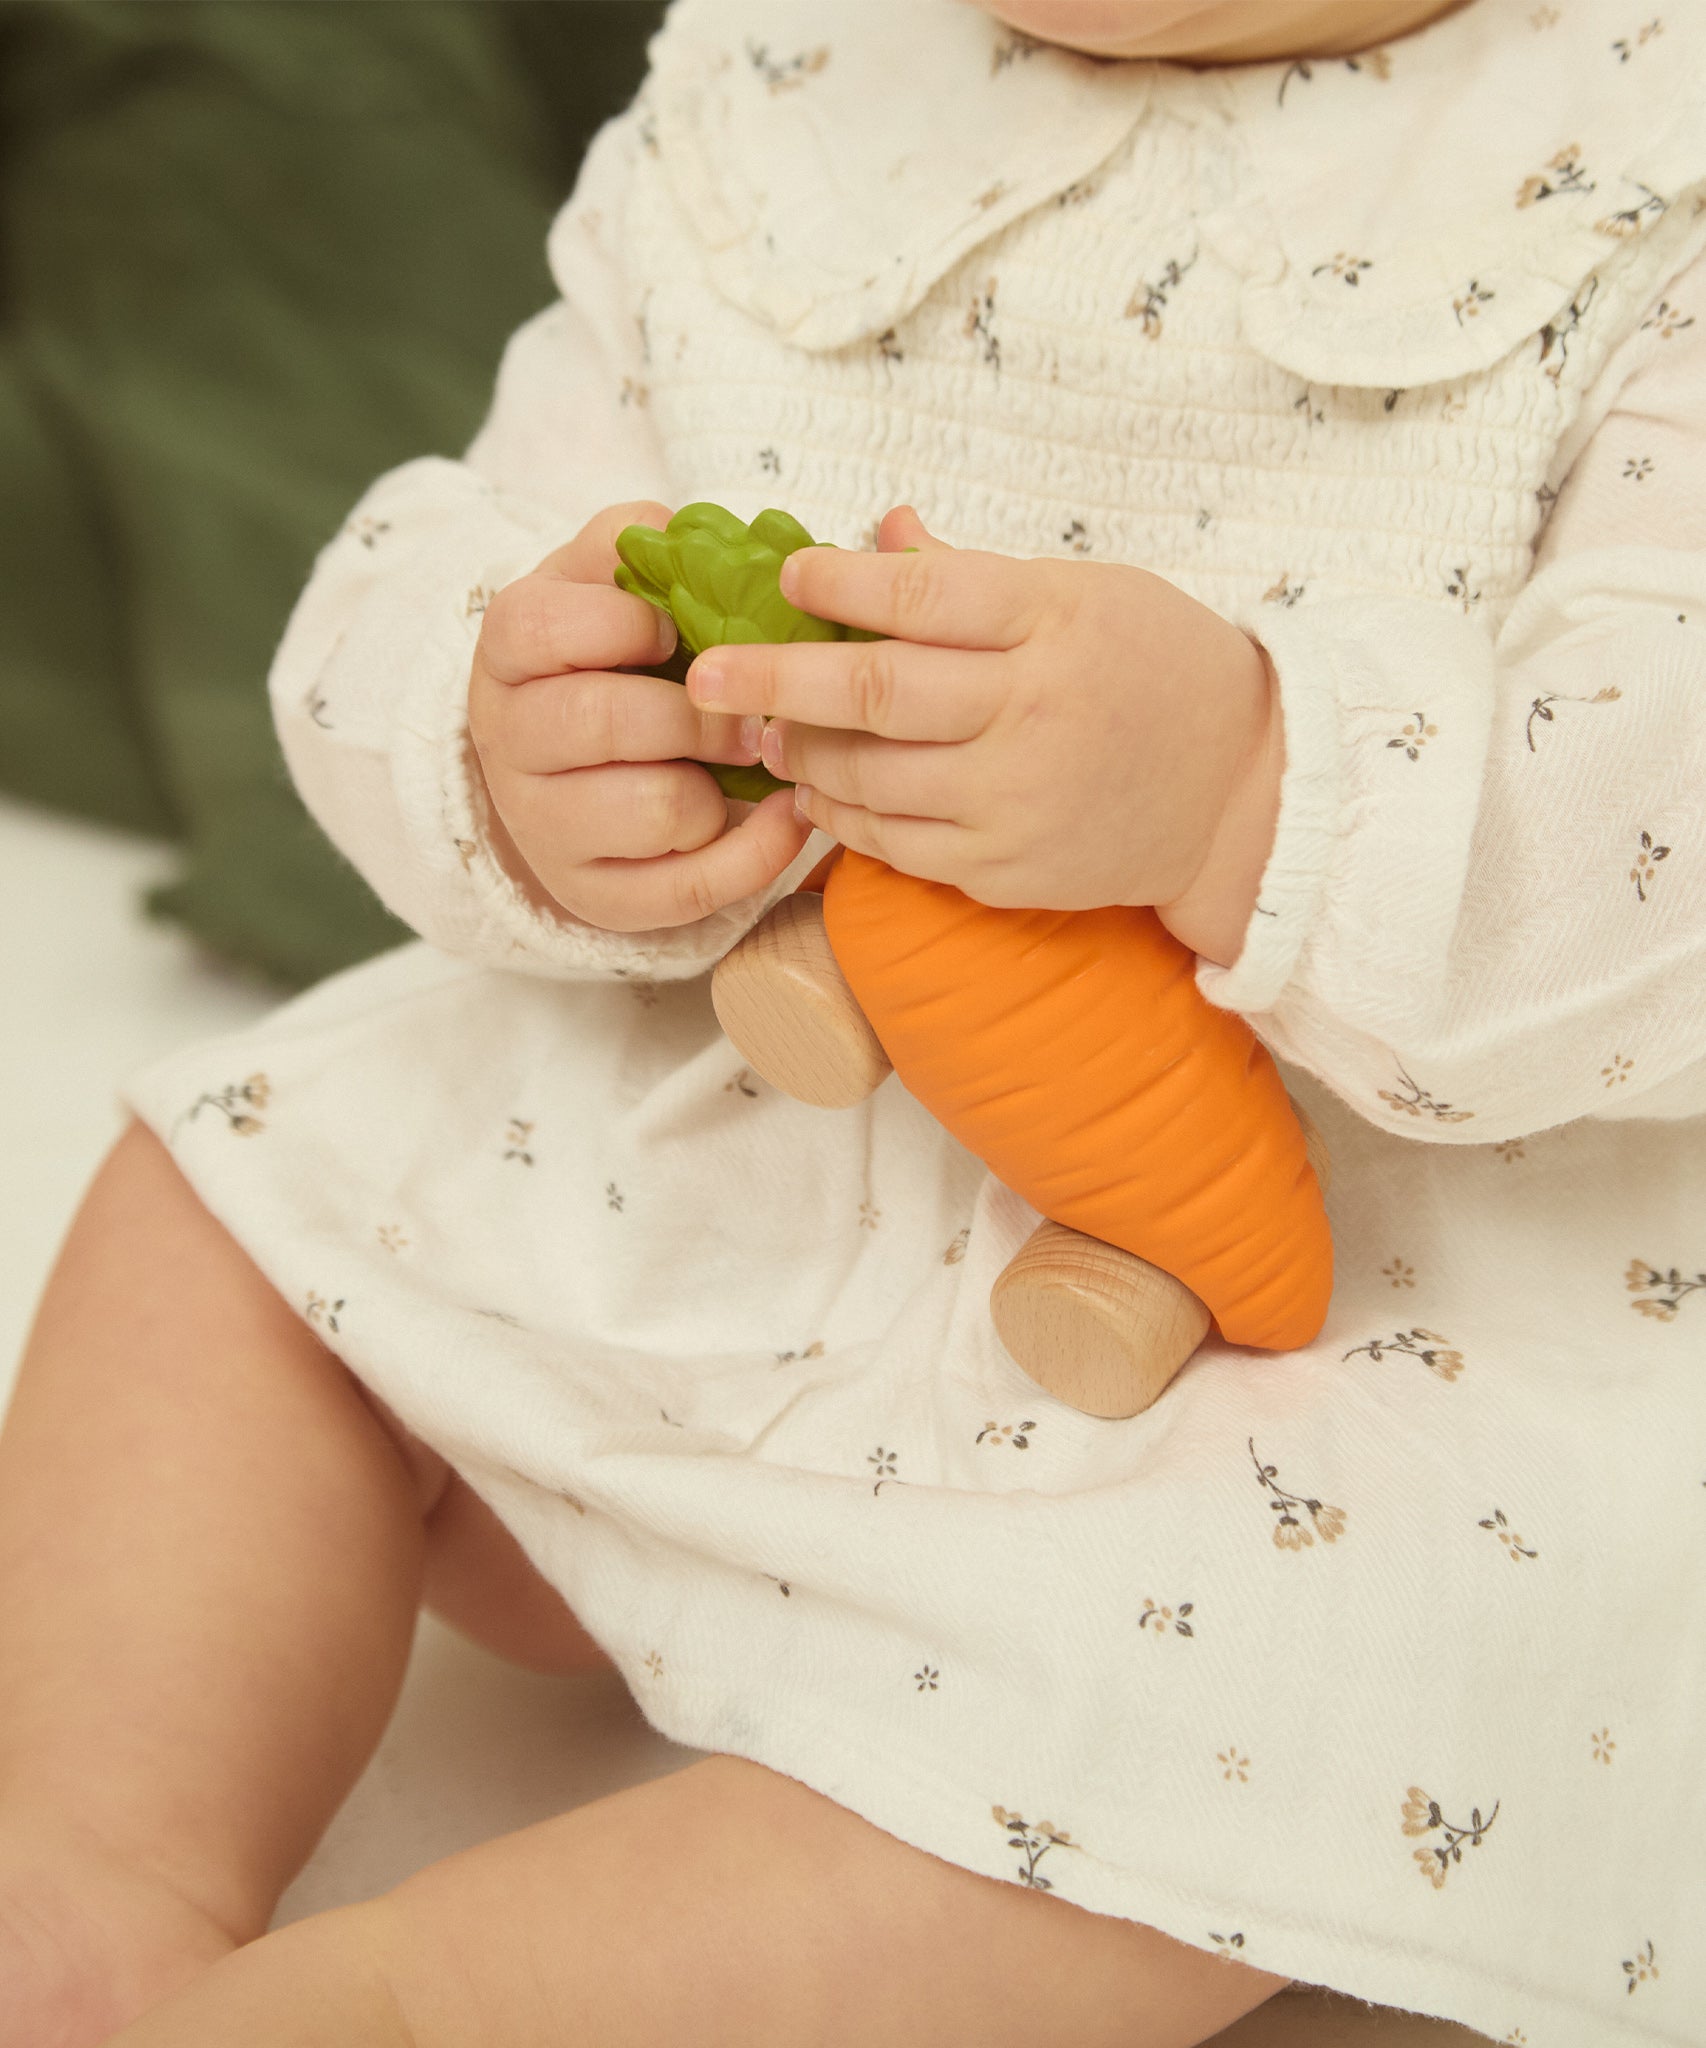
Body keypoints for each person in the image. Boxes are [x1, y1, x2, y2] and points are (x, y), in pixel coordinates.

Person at [3, 0, 1703, 2041]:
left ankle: (411, 2007)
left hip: (1319, 1298)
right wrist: (512, 735)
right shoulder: (792, 75)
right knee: (223, 1222)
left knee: (1325, 1665)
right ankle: (78, 1878)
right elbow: (488, 531)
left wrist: (1246, 786)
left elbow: (1650, 844)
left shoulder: (1644, 147)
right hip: (753, 1125)